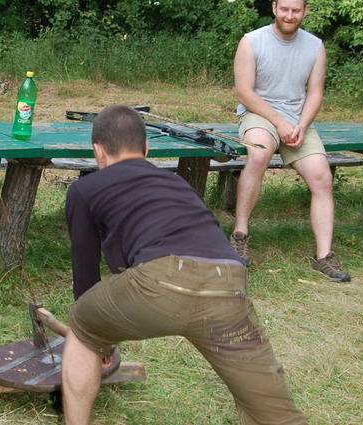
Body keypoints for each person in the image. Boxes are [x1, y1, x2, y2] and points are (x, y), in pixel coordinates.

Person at [61, 105, 308, 425]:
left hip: (159, 283)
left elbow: (85, 275)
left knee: (81, 326)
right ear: (146, 149)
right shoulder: (175, 183)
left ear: (98, 151)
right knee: (272, 412)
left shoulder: (85, 189)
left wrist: (99, 337)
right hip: (229, 282)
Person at [230, 0, 350, 282]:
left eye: (296, 10)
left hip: (298, 119)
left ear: (305, 11)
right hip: (259, 114)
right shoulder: (251, 41)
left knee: (322, 177)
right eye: (284, 9)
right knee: (259, 155)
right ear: (274, 8)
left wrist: (301, 126)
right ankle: (239, 235)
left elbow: (315, 93)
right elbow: (244, 93)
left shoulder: (315, 46)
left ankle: (324, 256)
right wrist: (280, 123)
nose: (289, 15)